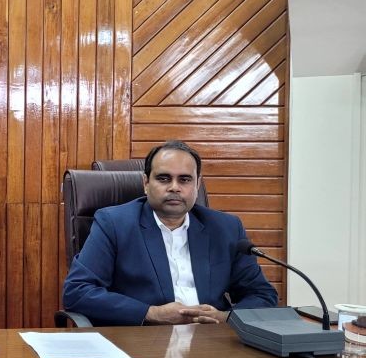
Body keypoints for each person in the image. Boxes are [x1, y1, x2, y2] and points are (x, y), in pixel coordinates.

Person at [62, 140, 278, 326]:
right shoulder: (115, 224)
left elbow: (262, 294)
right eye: (164, 178)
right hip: (142, 342)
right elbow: (78, 292)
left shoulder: (225, 228)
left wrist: (226, 318)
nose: (174, 187)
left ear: (197, 185)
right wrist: (152, 313)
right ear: (146, 183)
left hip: (212, 342)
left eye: (184, 180)